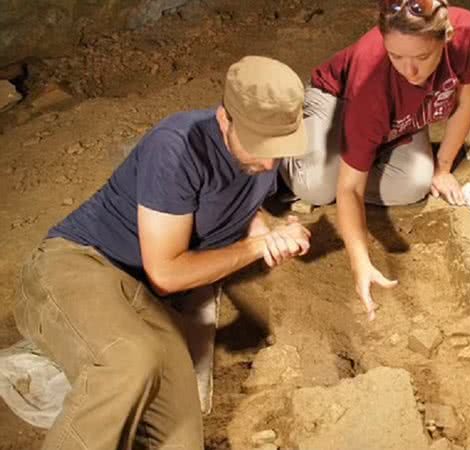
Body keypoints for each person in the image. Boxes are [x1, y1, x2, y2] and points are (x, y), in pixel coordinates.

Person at [14, 56, 312, 449]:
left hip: (147, 302)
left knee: (180, 439)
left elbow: (240, 203)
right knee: (129, 362)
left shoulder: (262, 153)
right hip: (79, 263)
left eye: (280, 146)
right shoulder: (177, 146)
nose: (270, 160)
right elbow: (167, 274)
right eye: (260, 146)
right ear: (225, 119)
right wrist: (256, 247)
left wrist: (271, 232)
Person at [280, 0, 470, 319]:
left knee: (416, 182)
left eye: (422, 57)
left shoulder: (465, 30)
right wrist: (360, 262)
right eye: (396, 56)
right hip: (338, 100)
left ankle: (361, 151)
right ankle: (303, 135)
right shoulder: (371, 80)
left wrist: (444, 167)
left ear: (446, 37)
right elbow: (350, 190)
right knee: (317, 187)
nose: (410, 71)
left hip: (401, 117)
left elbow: (465, 101)